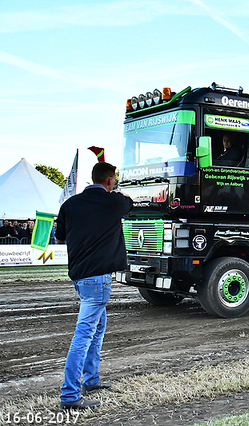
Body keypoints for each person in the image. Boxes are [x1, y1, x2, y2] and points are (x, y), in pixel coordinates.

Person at [55, 162, 133, 410]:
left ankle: (91, 379)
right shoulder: (113, 202)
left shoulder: (69, 205)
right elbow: (129, 203)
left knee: (98, 327)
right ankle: (69, 395)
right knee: (85, 334)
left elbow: (60, 237)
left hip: (79, 277)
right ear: (110, 181)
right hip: (98, 279)